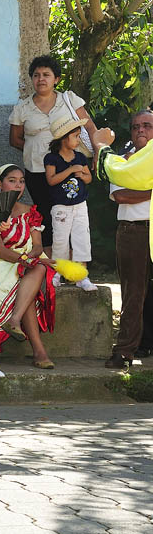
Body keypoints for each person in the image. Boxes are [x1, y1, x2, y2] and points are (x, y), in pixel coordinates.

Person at [9, 55, 97, 255]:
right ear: (31, 79)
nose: (41, 79)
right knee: (47, 217)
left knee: (73, 214)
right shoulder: (22, 108)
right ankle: (52, 267)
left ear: (56, 79)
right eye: (36, 75)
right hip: (37, 171)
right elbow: (14, 139)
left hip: (70, 169)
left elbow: (90, 127)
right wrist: (37, 150)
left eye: (46, 75)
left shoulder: (69, 100)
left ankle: (75, 266)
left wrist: (98, 152)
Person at [0, 165, 57, 370]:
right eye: (12, 180)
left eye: (21, 181)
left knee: (36, 270)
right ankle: (38, 350)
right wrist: (25, 261)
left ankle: (15, 320)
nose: (18, 185)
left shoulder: (30, 211)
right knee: (29, 278)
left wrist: (32, 256)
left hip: (23, 261)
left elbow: (37, 246)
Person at [105, 111, 153, 369]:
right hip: (132, 231)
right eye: (136, 127)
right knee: (133, 293)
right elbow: (121, 196)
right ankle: (124, 352)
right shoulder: (120, 162)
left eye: (147, 126)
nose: (141, 130)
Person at [44, 117, 96, 290]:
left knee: (82, 238)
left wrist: (83, 175)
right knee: (60, 240)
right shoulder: (52, 158)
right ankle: (58, 273)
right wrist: (70, 170)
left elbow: (89, 178)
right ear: (64, 138)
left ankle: (82, 276)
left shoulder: (80, 157)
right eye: (75, 136)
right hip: (61, 207)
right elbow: (51, 180)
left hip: (80, 205)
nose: (78, 140)